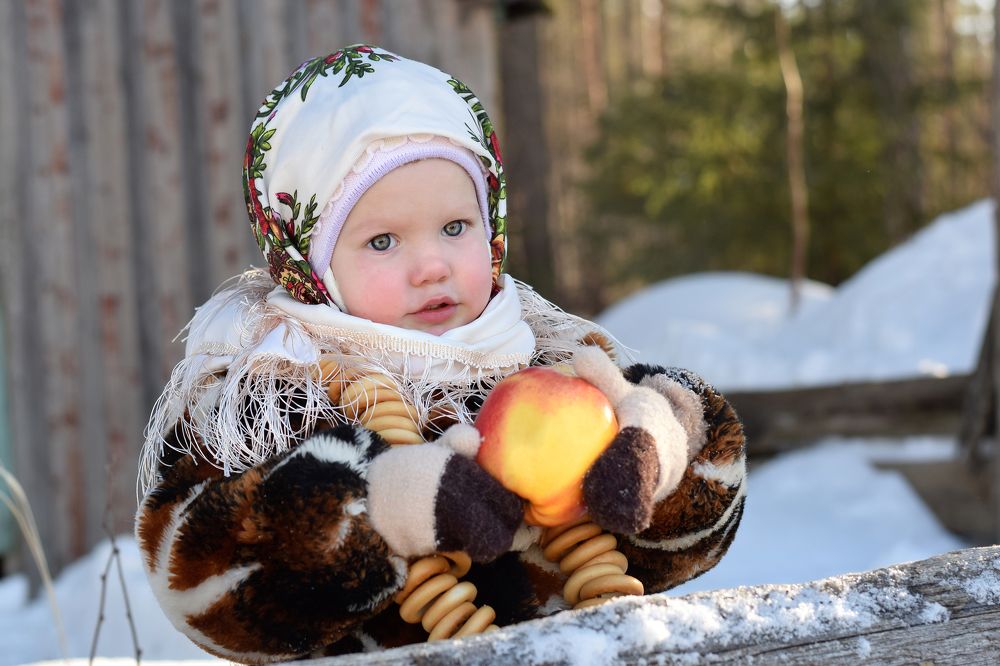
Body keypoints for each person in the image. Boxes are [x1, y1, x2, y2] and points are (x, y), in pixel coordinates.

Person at [135, 45, 746, 663]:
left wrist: (655, 450)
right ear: (309, 264)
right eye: (382, 241)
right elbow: (197, 582)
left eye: (456, 227)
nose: (431, 267)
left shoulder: (553, 361)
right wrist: (385, 508)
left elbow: (707, 509)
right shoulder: (271, 393)